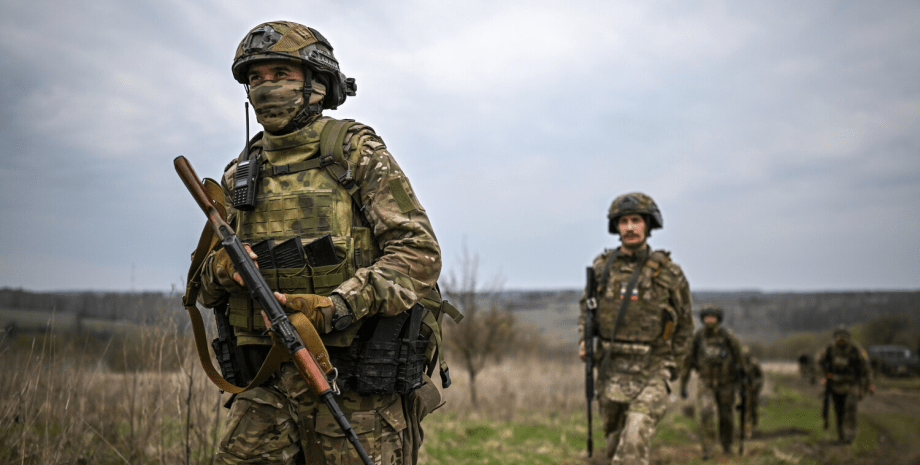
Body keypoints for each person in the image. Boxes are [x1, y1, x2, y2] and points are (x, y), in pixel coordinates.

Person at [193, 21, 450, 464]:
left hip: (354, 387)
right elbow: (202, 290)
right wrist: (220, 271)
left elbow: (418, 254)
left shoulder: (353, 152)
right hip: (266, 383)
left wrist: (336, 307)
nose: (265, 87)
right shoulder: (241, 172)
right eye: (256, 77)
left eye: (281, 74)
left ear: (317, 83)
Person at [578, 192, 693, 465]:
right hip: (611, 366)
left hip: (652, 366)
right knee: (613, 444)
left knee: (632, 446)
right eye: (624, 221)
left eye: (636, 220)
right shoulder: (602, 268)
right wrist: (585, 340)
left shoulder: (669, 274)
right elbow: (587, 309)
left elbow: (685, 327)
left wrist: (671, 367)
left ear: (648, 224)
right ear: (616, 227)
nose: (630, 227)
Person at [679, 305, 745, 459]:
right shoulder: (698, 338)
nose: (709, 320)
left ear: (718, 319)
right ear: (702, 319)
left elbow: (741, 363)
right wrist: (683, 383)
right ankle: (708, 450)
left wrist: (742, 384)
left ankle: (727, 445)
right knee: (706, 413)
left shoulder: (729, 338)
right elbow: (687, 362)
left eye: (712, 317)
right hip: (706, 383)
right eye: (706, 317)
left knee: (726, 417)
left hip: (726, 384)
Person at [818, 325, 874, 444]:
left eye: (844, 337)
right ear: (835, 338)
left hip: (852, 384)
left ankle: (849, 436)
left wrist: (870, 383)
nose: (841, 339)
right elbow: (819, 363)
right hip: (835, 384)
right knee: (839, 411)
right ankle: (841, 436)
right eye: (839, 337)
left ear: (849, 338)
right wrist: (823, 377)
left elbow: (867, 367)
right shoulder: (829, 350)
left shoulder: (856, 350)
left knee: (850, 408)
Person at [741, 346, 764, 439]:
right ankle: (745, 429)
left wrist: (755, 385)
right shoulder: (739, 365)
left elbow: (760, 377)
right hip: (744, 390)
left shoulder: (754, 364)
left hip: (753, 390)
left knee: (753, 408)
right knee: (744, 409)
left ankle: (754, 428)